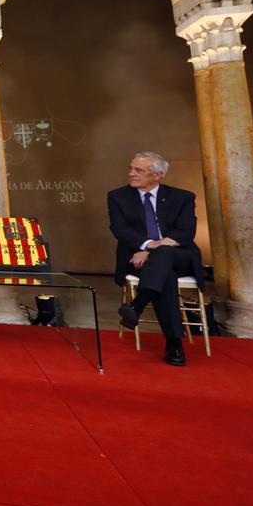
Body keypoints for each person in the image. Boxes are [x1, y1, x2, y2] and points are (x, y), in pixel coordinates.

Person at [108, 152, 204, 366]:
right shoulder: (118, 197)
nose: (131, 174)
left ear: (157, 175)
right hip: (137, 258)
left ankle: (137, 305)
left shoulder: (182, 197)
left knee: (165, 255)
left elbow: (186, 232)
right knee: (164, 276)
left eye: (138, 170)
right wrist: (147, 246)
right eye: (131, 168)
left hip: (179, 256)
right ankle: (174, 343)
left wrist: (152, 251)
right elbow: (120, 229)